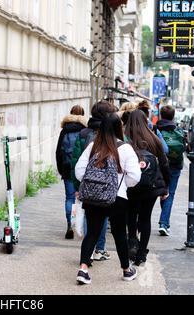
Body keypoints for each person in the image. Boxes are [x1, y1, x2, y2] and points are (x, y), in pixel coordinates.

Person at [75, 113, 141, 285]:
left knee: (92, 233)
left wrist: (94, 185)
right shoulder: (126, 149)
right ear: (119, 128)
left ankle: (83, 269)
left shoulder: (92, 147)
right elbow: (135, 176)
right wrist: (120, 185)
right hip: (117, 198)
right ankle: (127, 270)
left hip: (93, 198)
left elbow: (79, 171)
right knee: (120, 234)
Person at [71, 101, 118, 261]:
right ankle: (99, 248)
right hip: (107, 186)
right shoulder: (115, 136)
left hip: (87, 182)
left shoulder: (84, 133)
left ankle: (89, 250)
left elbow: (76, 159)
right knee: (103, 216)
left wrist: (78, 185)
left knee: (88, 215)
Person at [125, 110, 171, 266]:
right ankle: (141, 253)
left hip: (129, 186)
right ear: (145, 121)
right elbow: (164, 164)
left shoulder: (124, 139)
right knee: (145, 218)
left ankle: (132, 240)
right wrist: (166, 187)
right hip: (150, 187)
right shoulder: (153, 138)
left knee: (131, 214)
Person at [56, 105, 88, 239]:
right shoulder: (85, 130)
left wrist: (60, 169)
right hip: (82, 169)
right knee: (84, 199)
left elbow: (58, 151)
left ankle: (70, 224)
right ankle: (81, 226)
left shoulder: (65, 130)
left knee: (69, 198)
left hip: (67, 168)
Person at [155, 105, 186, 236]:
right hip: (175, 165)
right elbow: (184, 147)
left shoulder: (156, 129)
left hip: (159, 165)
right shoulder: (178, 130)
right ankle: (164, 223)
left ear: (161, 115)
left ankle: (164, 221)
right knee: (170, 193)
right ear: (173, 116)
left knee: (162, 191)